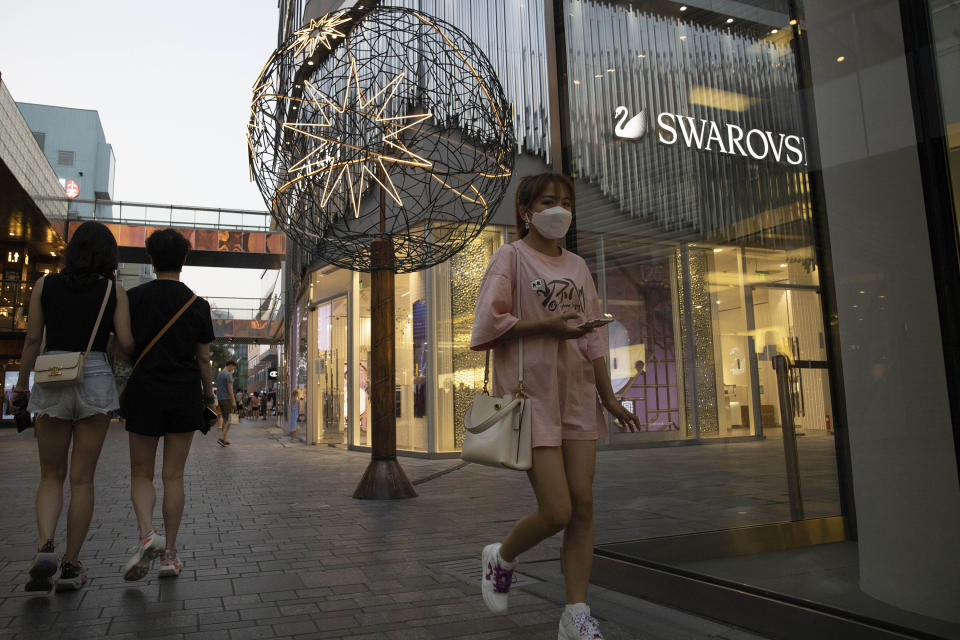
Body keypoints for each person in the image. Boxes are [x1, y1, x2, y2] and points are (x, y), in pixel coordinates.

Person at [469, 173, 641, 639]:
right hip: (532, 400)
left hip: (578, 397)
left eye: (566, 202)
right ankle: (501, 556)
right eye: (549, 202)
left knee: (583, 508)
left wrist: (609, 397)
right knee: (557, 510)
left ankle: (575, 614)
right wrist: (547, 325)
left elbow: (594, 338)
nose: (559, 210)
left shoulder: (579, 267)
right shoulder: (510, 258)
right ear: (526, 211)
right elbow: (486, 327)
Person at [13, 221, 135, 592]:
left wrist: (21, 386)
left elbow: (33, 340)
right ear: (108, 255)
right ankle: (70, 565)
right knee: (83, 479)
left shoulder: (43, 286)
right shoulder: (114, 291)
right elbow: (126, 342)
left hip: (52, 372)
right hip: (94, 373)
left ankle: (45, 544)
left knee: (51, 475)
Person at [120, 229, 216, 581]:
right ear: (184, 260)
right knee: (174, 476)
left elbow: (125, 346)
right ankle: (170, 556)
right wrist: (209, 398)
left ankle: (147, 535)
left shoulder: (133, 299)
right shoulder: (197, 304)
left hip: (144, 392)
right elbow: (204, 359)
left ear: (150, 258)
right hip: (183, 394)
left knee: (141, 474)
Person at [215, 361, 236, 446]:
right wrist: (234, 400)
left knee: (225, 419)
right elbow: (230, 389)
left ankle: (224, 439)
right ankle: (221, 438)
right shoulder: (228, 374)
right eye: (233, 368)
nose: (233, 370)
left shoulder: (219, 374)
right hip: (227, 399)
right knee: (230, 420)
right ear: (230, 366)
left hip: (220, 398)